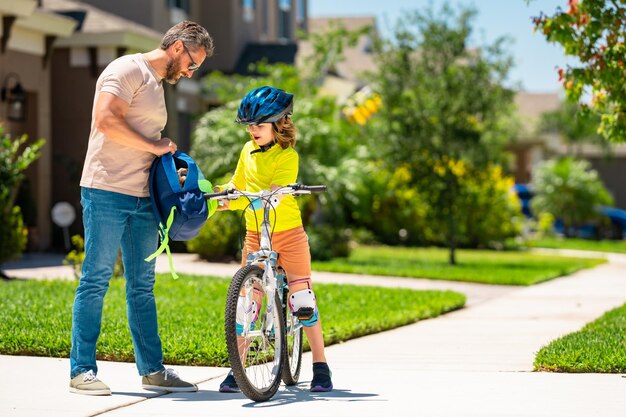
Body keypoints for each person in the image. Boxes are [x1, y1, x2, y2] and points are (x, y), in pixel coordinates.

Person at [69, 21, 213, 396]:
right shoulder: (126, 69)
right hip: (106, 190)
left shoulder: (157, 84)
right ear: (179, 47)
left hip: (142, 198)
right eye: (192, 63)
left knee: (142, 287)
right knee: (97, 278)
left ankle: (152, 371)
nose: (189, 72)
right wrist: (154, 146)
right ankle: (81, 371)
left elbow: (146, 138)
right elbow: (105, 122)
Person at [216, 86, 333, 393]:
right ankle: (237, 367)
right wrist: (227, 194)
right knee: (246, 304)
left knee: (302, 300)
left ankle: (320, 365)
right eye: (250, 125)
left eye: (259, 124)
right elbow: (239, 184)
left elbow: (279, 190)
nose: (253, 130)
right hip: (256, 233)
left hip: (288, 233)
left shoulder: (287, 156)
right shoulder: (247, 151)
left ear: (279, 124)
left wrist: (269, 194)